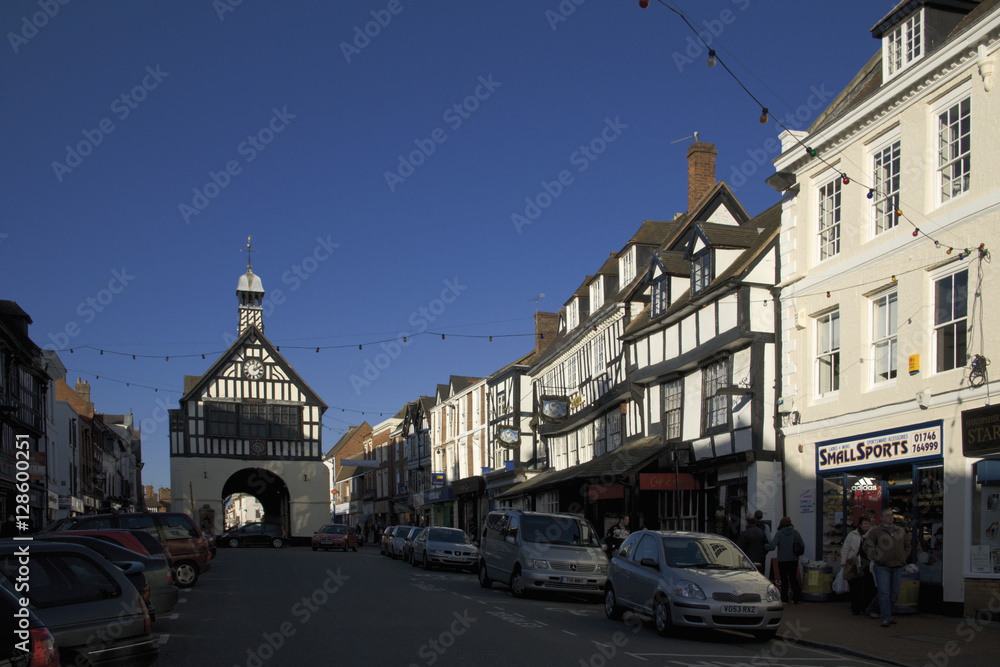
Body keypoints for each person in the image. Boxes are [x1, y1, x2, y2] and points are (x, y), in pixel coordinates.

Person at [864, 508, 907, 627]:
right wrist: (876, 557)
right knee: (884, 593)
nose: (890, 517)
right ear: (881, 518)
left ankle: (885, 613)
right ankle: (886, 617)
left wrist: (903, 556)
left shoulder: (900, 531)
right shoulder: (876, 531)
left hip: (897, 565)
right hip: (882, 567)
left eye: (891, 515)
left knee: (894, 593)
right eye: (887, 515)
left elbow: (908, 545)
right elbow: (867, 546)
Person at [765, 516, 805, 604]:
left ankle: (784, 599)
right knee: (793, 579)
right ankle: (797, 598)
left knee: (784, 580)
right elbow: (802, 545)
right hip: (793, 559)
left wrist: (763, 546)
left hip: (782, 560)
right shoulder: (795, 533)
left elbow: (772, 546)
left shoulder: (779, 533)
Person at [841, 516, 876, 615]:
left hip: (868, 564)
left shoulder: (872, 535)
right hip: (855, 563)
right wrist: (843, 561)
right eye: (865, 523)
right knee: (855, 586)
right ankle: (855, 608)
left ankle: (865, 607)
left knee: (868, 587)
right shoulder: (852, 535)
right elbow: (846, 548)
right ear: (860, 525)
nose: (867, 525)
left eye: (868, 523)